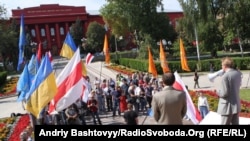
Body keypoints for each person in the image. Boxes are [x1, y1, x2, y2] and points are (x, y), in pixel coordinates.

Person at [216, 57, 241, 125]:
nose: (221, 66)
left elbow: (224, 93)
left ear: (225, 65)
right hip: (236, 104)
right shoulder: (237, 73)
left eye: (222, 65)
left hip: (227, 106)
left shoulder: (225, 76)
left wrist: (217, 92)